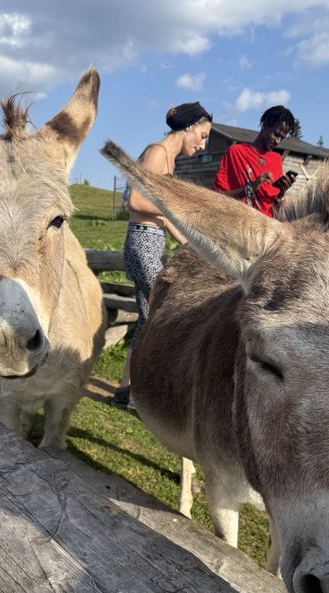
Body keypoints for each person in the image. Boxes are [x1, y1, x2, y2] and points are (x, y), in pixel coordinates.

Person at [111, 101, 213, 408]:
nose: (203, 142)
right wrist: (174, 211)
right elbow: (136, 202)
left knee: (149, 314)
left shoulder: (169, 160)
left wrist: (189, 244)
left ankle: (126, 390)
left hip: (152, 240)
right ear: (190, 127)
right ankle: (135, 392)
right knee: (153, 314)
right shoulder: (156, 152)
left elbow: (165, 218)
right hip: (142, 241)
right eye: (203, 135)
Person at [213, 105, 297, 218]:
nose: (277, 141)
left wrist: (281, 193)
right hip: (237, 226)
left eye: (282, 138)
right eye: (276, 134)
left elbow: (273, 208)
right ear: (265, 125)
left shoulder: (276, 160)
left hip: (266, 230)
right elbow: (217, 197)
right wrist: (251, 188)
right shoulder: (236, 152)